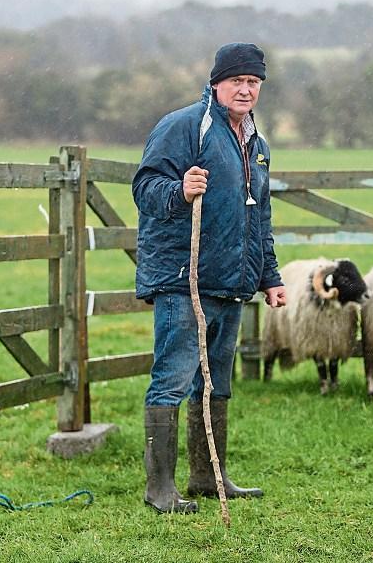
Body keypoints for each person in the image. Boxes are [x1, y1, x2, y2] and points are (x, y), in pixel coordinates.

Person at [132, 42, 286, 514]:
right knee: (173, 380)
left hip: (232, 284)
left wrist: (269, 276)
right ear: (217, 83)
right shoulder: (184, 127)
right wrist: (179, 190)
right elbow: (145, 188)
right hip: (184, 280)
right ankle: (160, 489)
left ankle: (206, 476)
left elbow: (258, 219)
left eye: (253, 82)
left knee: (216, 382)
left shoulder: (255, 145)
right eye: (237, 81)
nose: (245, 89)